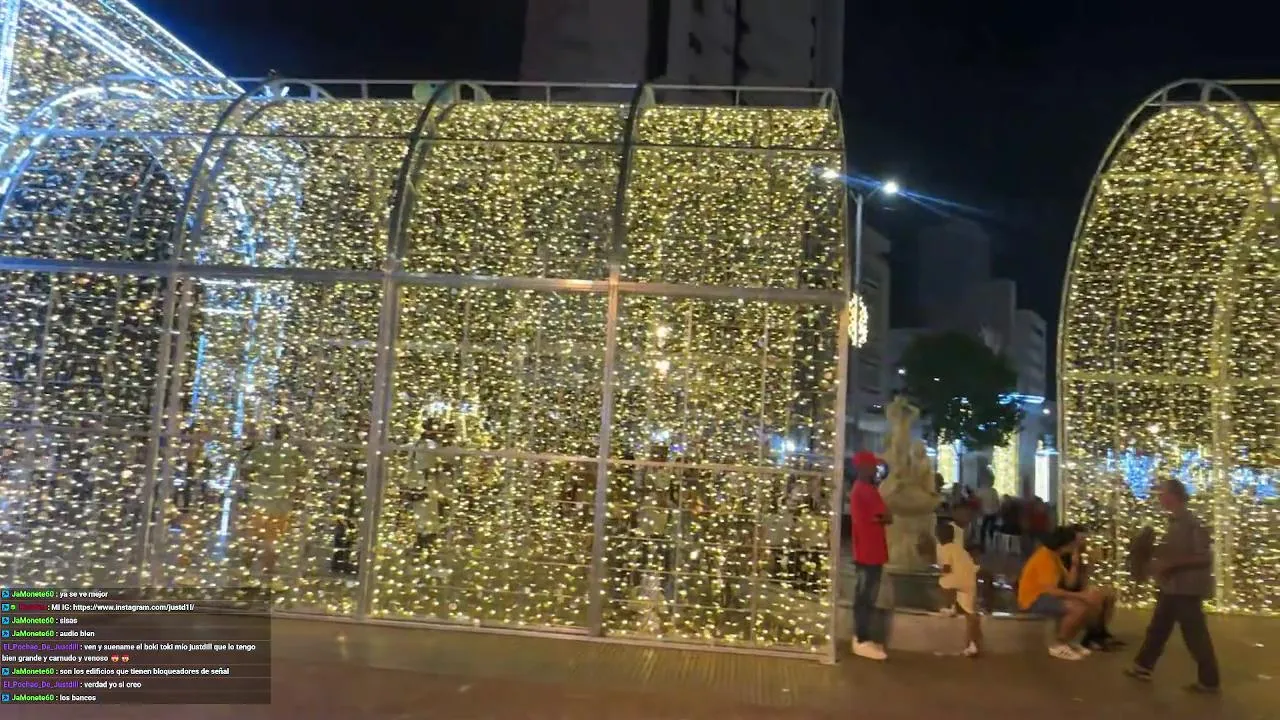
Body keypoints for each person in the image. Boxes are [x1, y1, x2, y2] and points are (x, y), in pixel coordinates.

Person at [1125, 478, 1220, 694]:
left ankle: (1209, 680)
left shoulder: (1192, 523)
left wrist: (1171, 564)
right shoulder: (1172, 522)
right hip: (1171, 586)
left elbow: (1204, 556)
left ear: (1174, 496)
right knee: (1158, 628)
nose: (1159, 498)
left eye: (1162, 494)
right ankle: (1143, 666)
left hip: (1186, 589)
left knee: (1194, 634)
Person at [1017, 526, 1105, 660]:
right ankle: (1058, 645)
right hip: (1033, 599)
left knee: (1088, 604)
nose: (1077, 545)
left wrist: (1075, 563)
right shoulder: (1045, 557)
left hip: (1045, 595)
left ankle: (1069, 641)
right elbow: (1051, 591)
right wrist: (1081, 596)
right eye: (1074, 543)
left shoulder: (1055, 556)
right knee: (1078, 608)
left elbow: (1070, 583)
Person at [848, 450, 891, 661]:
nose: (876, 469)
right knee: (865, 597)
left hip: (871, 550)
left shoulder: (866, 488)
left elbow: (884, 516)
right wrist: (883, 517)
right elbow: (885, 516)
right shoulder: (864, 490)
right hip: (868, 551)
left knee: (867, 596)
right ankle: (861, 638)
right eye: (873, 466)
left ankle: (863, 637)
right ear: (863, 467)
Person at [1060, 524, 1122, 651]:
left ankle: (1101, 632)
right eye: (1080, 539)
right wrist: (1075, 563)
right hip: (1065, 591)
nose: (1083, 542)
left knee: (1109, 594)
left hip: (1078, 590)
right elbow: (1069, 584)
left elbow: (1084, 580)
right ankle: (1091, 637)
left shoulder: (1083, 554)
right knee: (1095, 599)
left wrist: (1088, 565)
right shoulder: (1065, 555)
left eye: (1084, 539)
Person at [938, 503, 982, 657]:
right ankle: (972, 645)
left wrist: (939, 572)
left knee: (942, 582)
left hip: (959, 578)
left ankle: (950, 607)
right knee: (970, 614)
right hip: (970, 579)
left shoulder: (946, 547)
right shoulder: (960, 547)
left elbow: (946, 568)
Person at [976, 481, 1000, 548]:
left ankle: (983, 544)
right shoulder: (993, 491)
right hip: (992, 512)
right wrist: (998, 511)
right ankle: (991, 543)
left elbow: (978, 502)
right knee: (990, 529)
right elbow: (997, 502)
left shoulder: (981, 490)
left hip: (986, 512)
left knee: (983, 529)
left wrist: (980, 511)